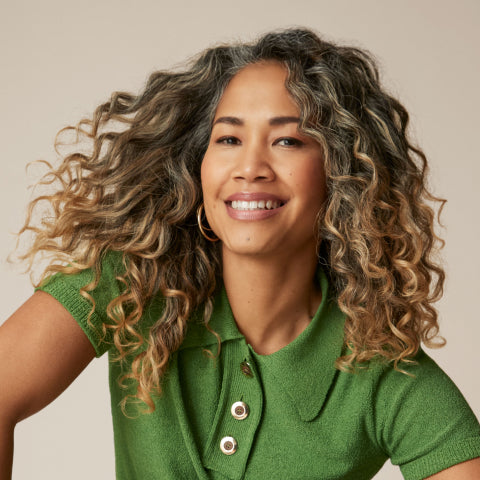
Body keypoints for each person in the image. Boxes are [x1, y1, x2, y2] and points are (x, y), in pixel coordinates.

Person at [1, 27, 479, 480]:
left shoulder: (384, 375)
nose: (250, 167)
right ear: (197, 166)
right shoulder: (133, 282)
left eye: (287, 140)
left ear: (344, 175)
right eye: (229, 139)